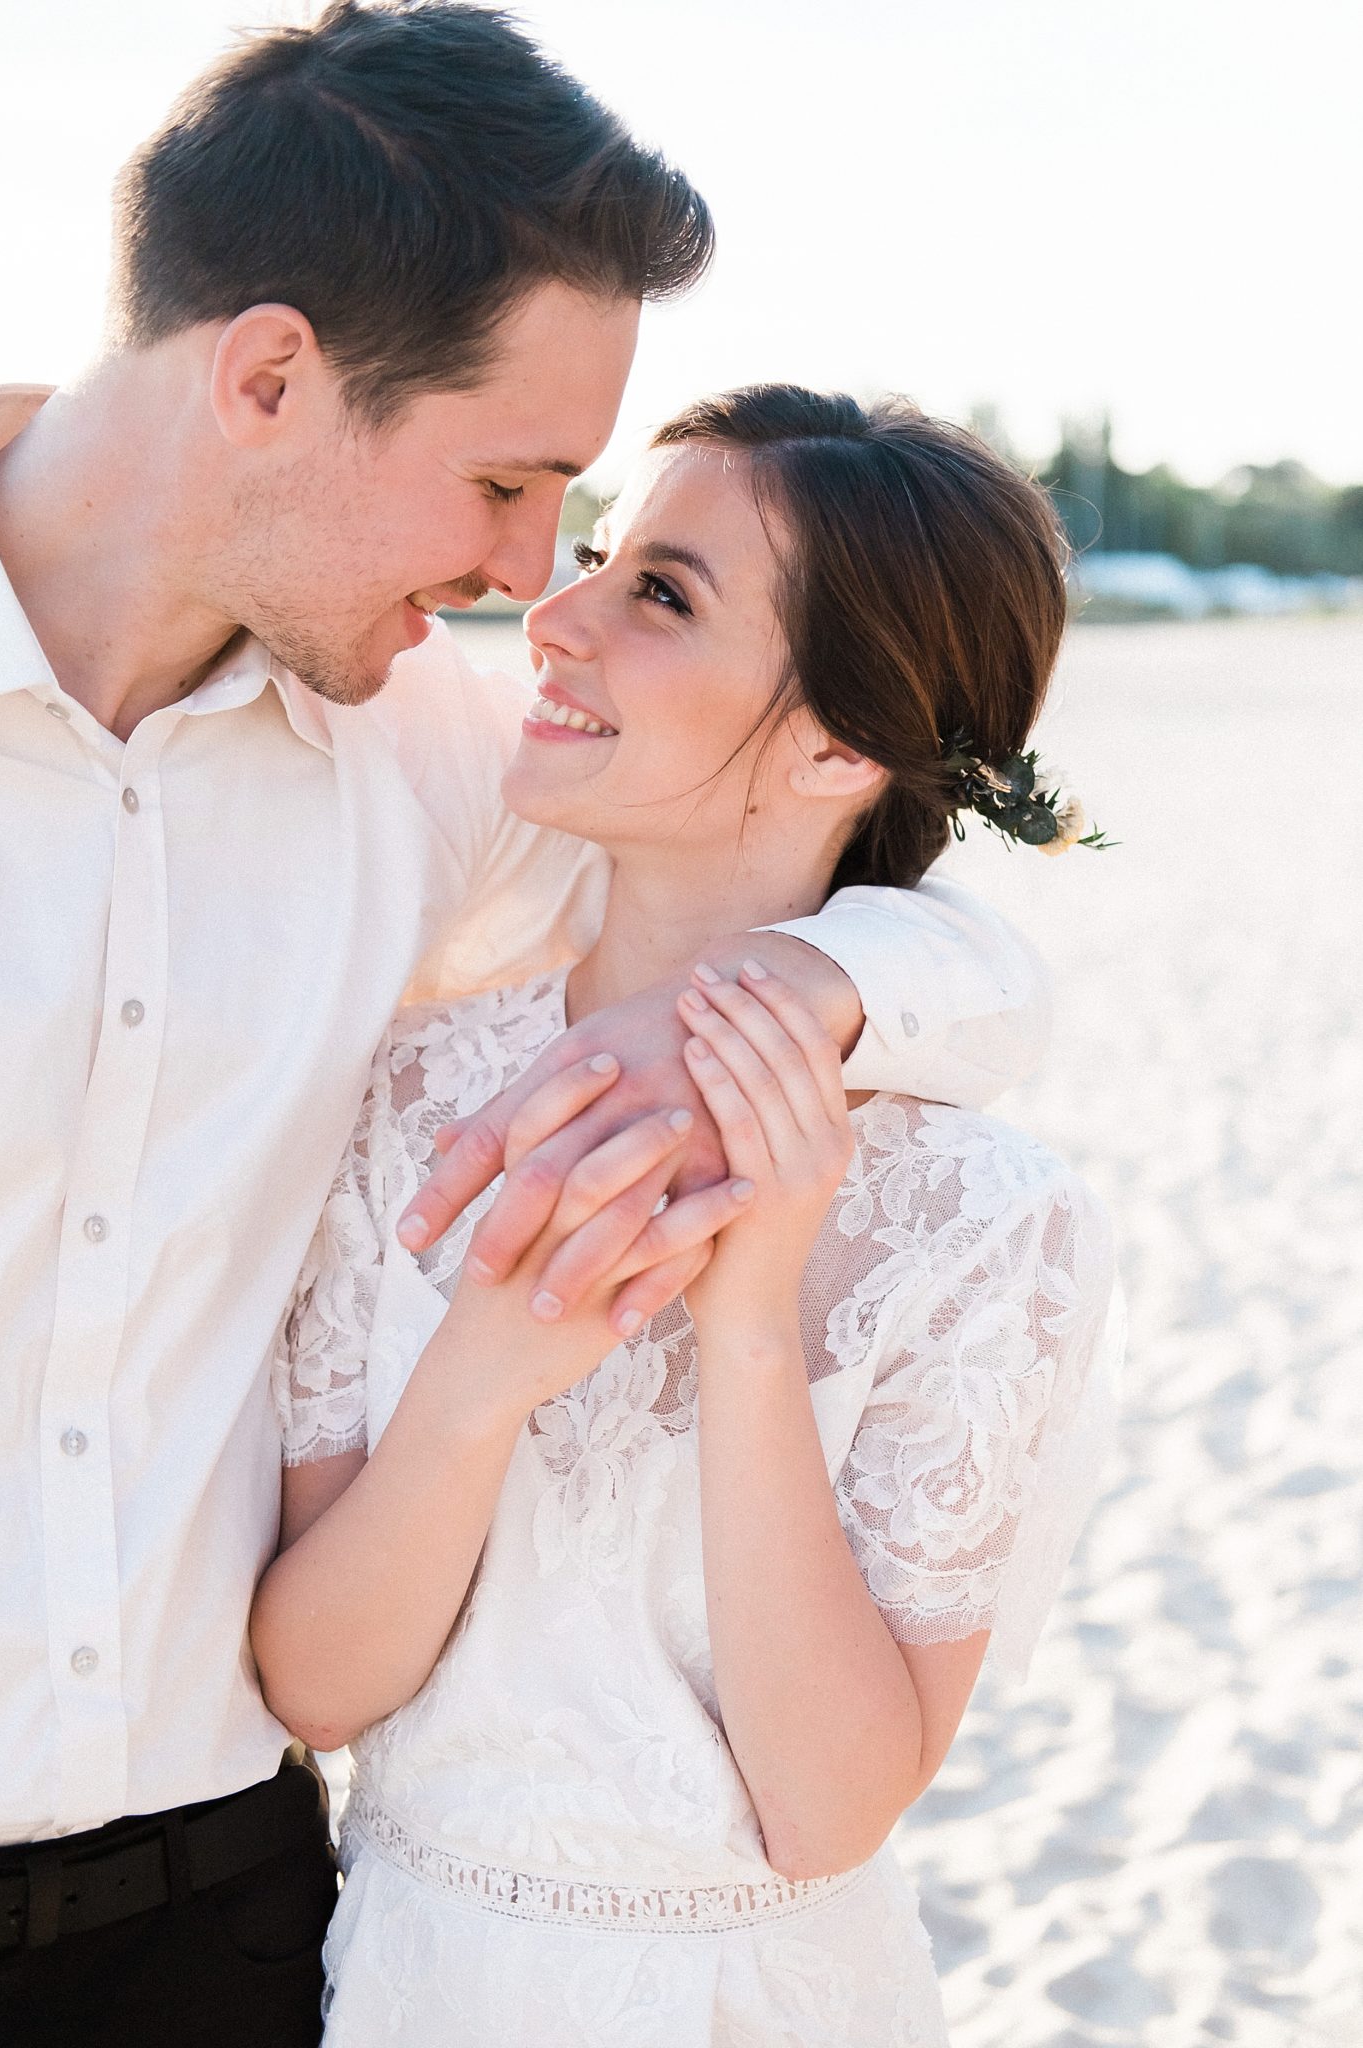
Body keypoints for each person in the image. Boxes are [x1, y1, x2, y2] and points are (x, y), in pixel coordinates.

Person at [0, 10, 1049, 2046]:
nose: (517, 577)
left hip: (221, 1926)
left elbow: (927, 909)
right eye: (502, 480)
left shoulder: (434, 761)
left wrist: (793, 998)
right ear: (269, 376)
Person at [252, 386, 1121, 2046]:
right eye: (592, 555)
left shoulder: (991, 1217)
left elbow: (827, 1809)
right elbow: (317, 1685)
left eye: (658, 593)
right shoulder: (418, 1102)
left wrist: (746, 1317)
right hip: (412, 1976)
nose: (553, 616)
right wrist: (483, 1376)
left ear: (836, 746)